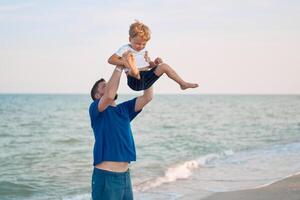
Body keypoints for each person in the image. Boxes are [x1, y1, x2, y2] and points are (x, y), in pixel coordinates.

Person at [89, 64, 153, 200]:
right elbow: (110, 94)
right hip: (106, 177)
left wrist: (147, 72)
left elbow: (148, 97)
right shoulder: (95, 109)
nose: (109, 86)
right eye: (104, 86)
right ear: (97, 95)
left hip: (125, 176)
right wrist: (119, 65)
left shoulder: (124, 109)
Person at [108, 20, 199, 91]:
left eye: (143, 44)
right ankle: (133, 68)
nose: (141, 46)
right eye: (138, 44)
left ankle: (182, 84)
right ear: (130, 39)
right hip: (134, 80)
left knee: (163, 66)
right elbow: (111, 60)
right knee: (132, 65)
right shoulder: (125, 48)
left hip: (146, 79)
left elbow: (148, 65)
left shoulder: (144, 51)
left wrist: (155, 64)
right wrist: (125, 62)